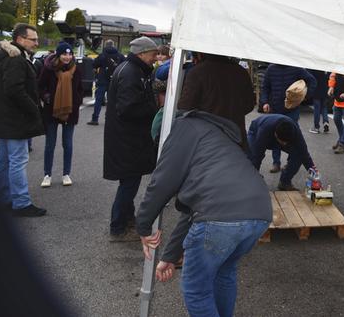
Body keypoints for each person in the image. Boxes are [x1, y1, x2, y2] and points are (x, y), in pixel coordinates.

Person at [136, 109, 271, 317]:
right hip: (259, 212)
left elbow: (161, 183)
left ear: (163, 133)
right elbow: (194, 212)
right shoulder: (213, 137)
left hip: (220, 215)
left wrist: (143, 226)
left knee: (196, 290)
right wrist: (170, 256)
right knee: (224, 274)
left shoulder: (181, 130)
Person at [103, 36, 158, 241]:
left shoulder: (130, 69)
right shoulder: (131, 73)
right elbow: (127, 109)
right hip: (127, 139)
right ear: (142, 54)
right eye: (153, 54)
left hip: (126, 137)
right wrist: (153, 108)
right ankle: (118, 227)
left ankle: (126, 219)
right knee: (129, 183)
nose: (155, 58)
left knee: (129, 181)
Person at [0, 23, 46, 216]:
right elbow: (14, 89)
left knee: (4, 160)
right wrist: (34, 108)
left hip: (6, 119)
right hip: (15, 121)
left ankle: (3, 198)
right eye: (33, 39)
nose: (36, 43)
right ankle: (21, 202)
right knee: (17, 160)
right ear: (20, 39)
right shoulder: (16, 59)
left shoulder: (8, 57)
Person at [177, 52, 255, 151]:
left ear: (200, 54)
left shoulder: (197, 72)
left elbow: (184, 107)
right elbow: (249, 104)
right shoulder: (240, 71)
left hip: (207, 138)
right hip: (236, 135)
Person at [37, 42, 83, 187]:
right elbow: (40, 86)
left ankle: (66, 174)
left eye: (70, 54)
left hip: (70, 111)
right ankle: (47, 174)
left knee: (67, 144)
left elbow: (81, 89)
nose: (67, 57)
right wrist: (47, 97)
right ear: (58, 54)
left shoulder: (76, 69)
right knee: (50, 144)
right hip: (52, 110)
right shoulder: (48, 68)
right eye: (64, 54)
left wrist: (76, 101)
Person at [259, 63, 316, 172]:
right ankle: (276, 163)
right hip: (275, 107)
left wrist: (304, 96)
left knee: (292, 134)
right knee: (275, 134)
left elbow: (312, 81)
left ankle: (290, 161)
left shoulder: (296, 68)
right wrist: (265, 102)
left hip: (292, 109)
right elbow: (265, 87)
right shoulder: (271, 69)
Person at [247, 114, 317, 191]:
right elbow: (257, 155)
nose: (284, 144)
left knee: (298, 155)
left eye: (286, 142)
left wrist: (314, 175)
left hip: (280, 135)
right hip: (255, 131)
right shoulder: (264, 130)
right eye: (282, 142)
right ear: (275, 134)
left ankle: (284, 182)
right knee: (253, 156)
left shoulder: (295, 133)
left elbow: (304, 154)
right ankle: (251, 180)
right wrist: (254, 176)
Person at [88, 39, 125, 125]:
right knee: (112, 101)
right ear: (113, 45)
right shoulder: (119, 55)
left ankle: (95, 119)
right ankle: (109, 119)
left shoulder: (102, 55)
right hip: (114, 80)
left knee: (98, 100)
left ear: (106, 45)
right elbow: (124, 65)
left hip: (102, 80)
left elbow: (94, 64)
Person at [308, 69, 330, 134]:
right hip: (325, 90)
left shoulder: (314, 67)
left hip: (316, 90)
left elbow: (309, 77)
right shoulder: (326, 68)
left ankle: (316, 127)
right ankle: (326, 122)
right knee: (324, 107)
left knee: (317, 109)